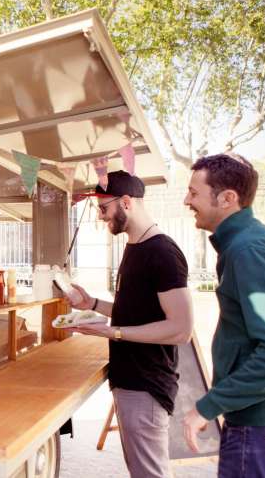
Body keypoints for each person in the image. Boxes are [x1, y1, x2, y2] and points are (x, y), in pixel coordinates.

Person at [70, 170, 193, 478]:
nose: (100, 216)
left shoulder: (162, 252)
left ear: (126, 202)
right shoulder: (133, 246)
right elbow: (137, 311)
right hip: (131, 382)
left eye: (103, 208)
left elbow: (181, 329)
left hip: (146, 384)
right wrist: (93, 305)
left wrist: (114, 332)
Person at [181, 153, 265, 478]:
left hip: (256, 428)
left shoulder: (247, 252)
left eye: (194, 193)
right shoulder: (243, 246)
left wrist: (207, 406)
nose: (186, 200)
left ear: (228, 198)